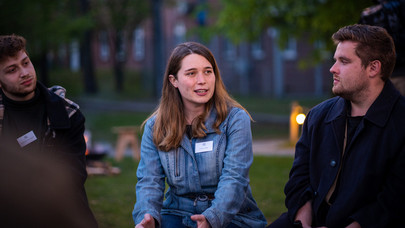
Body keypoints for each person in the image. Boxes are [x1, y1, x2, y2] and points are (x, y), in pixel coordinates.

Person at [268, 24, 405, 228]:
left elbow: (394, 201)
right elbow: (298, 180)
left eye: (344, 61)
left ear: (373, 68)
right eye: (335, 60)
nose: (333, 68)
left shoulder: (400, 122)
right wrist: (302, 223)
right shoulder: (318, 116)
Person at [132, 41, 267, 228]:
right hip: (176, 213)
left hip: (232, 217)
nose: (202, 80)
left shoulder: (235, 119)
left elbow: (235, 179)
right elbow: (149, 181)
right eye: (191, 73)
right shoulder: (155, 126)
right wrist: (148, 218)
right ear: (174, 81)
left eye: (208, 71)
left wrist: (212, 218)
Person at [0, 34, 97, 227]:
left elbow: (71, 178)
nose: (24, 72)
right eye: (12, 70)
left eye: (26, 63)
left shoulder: (67, 113)